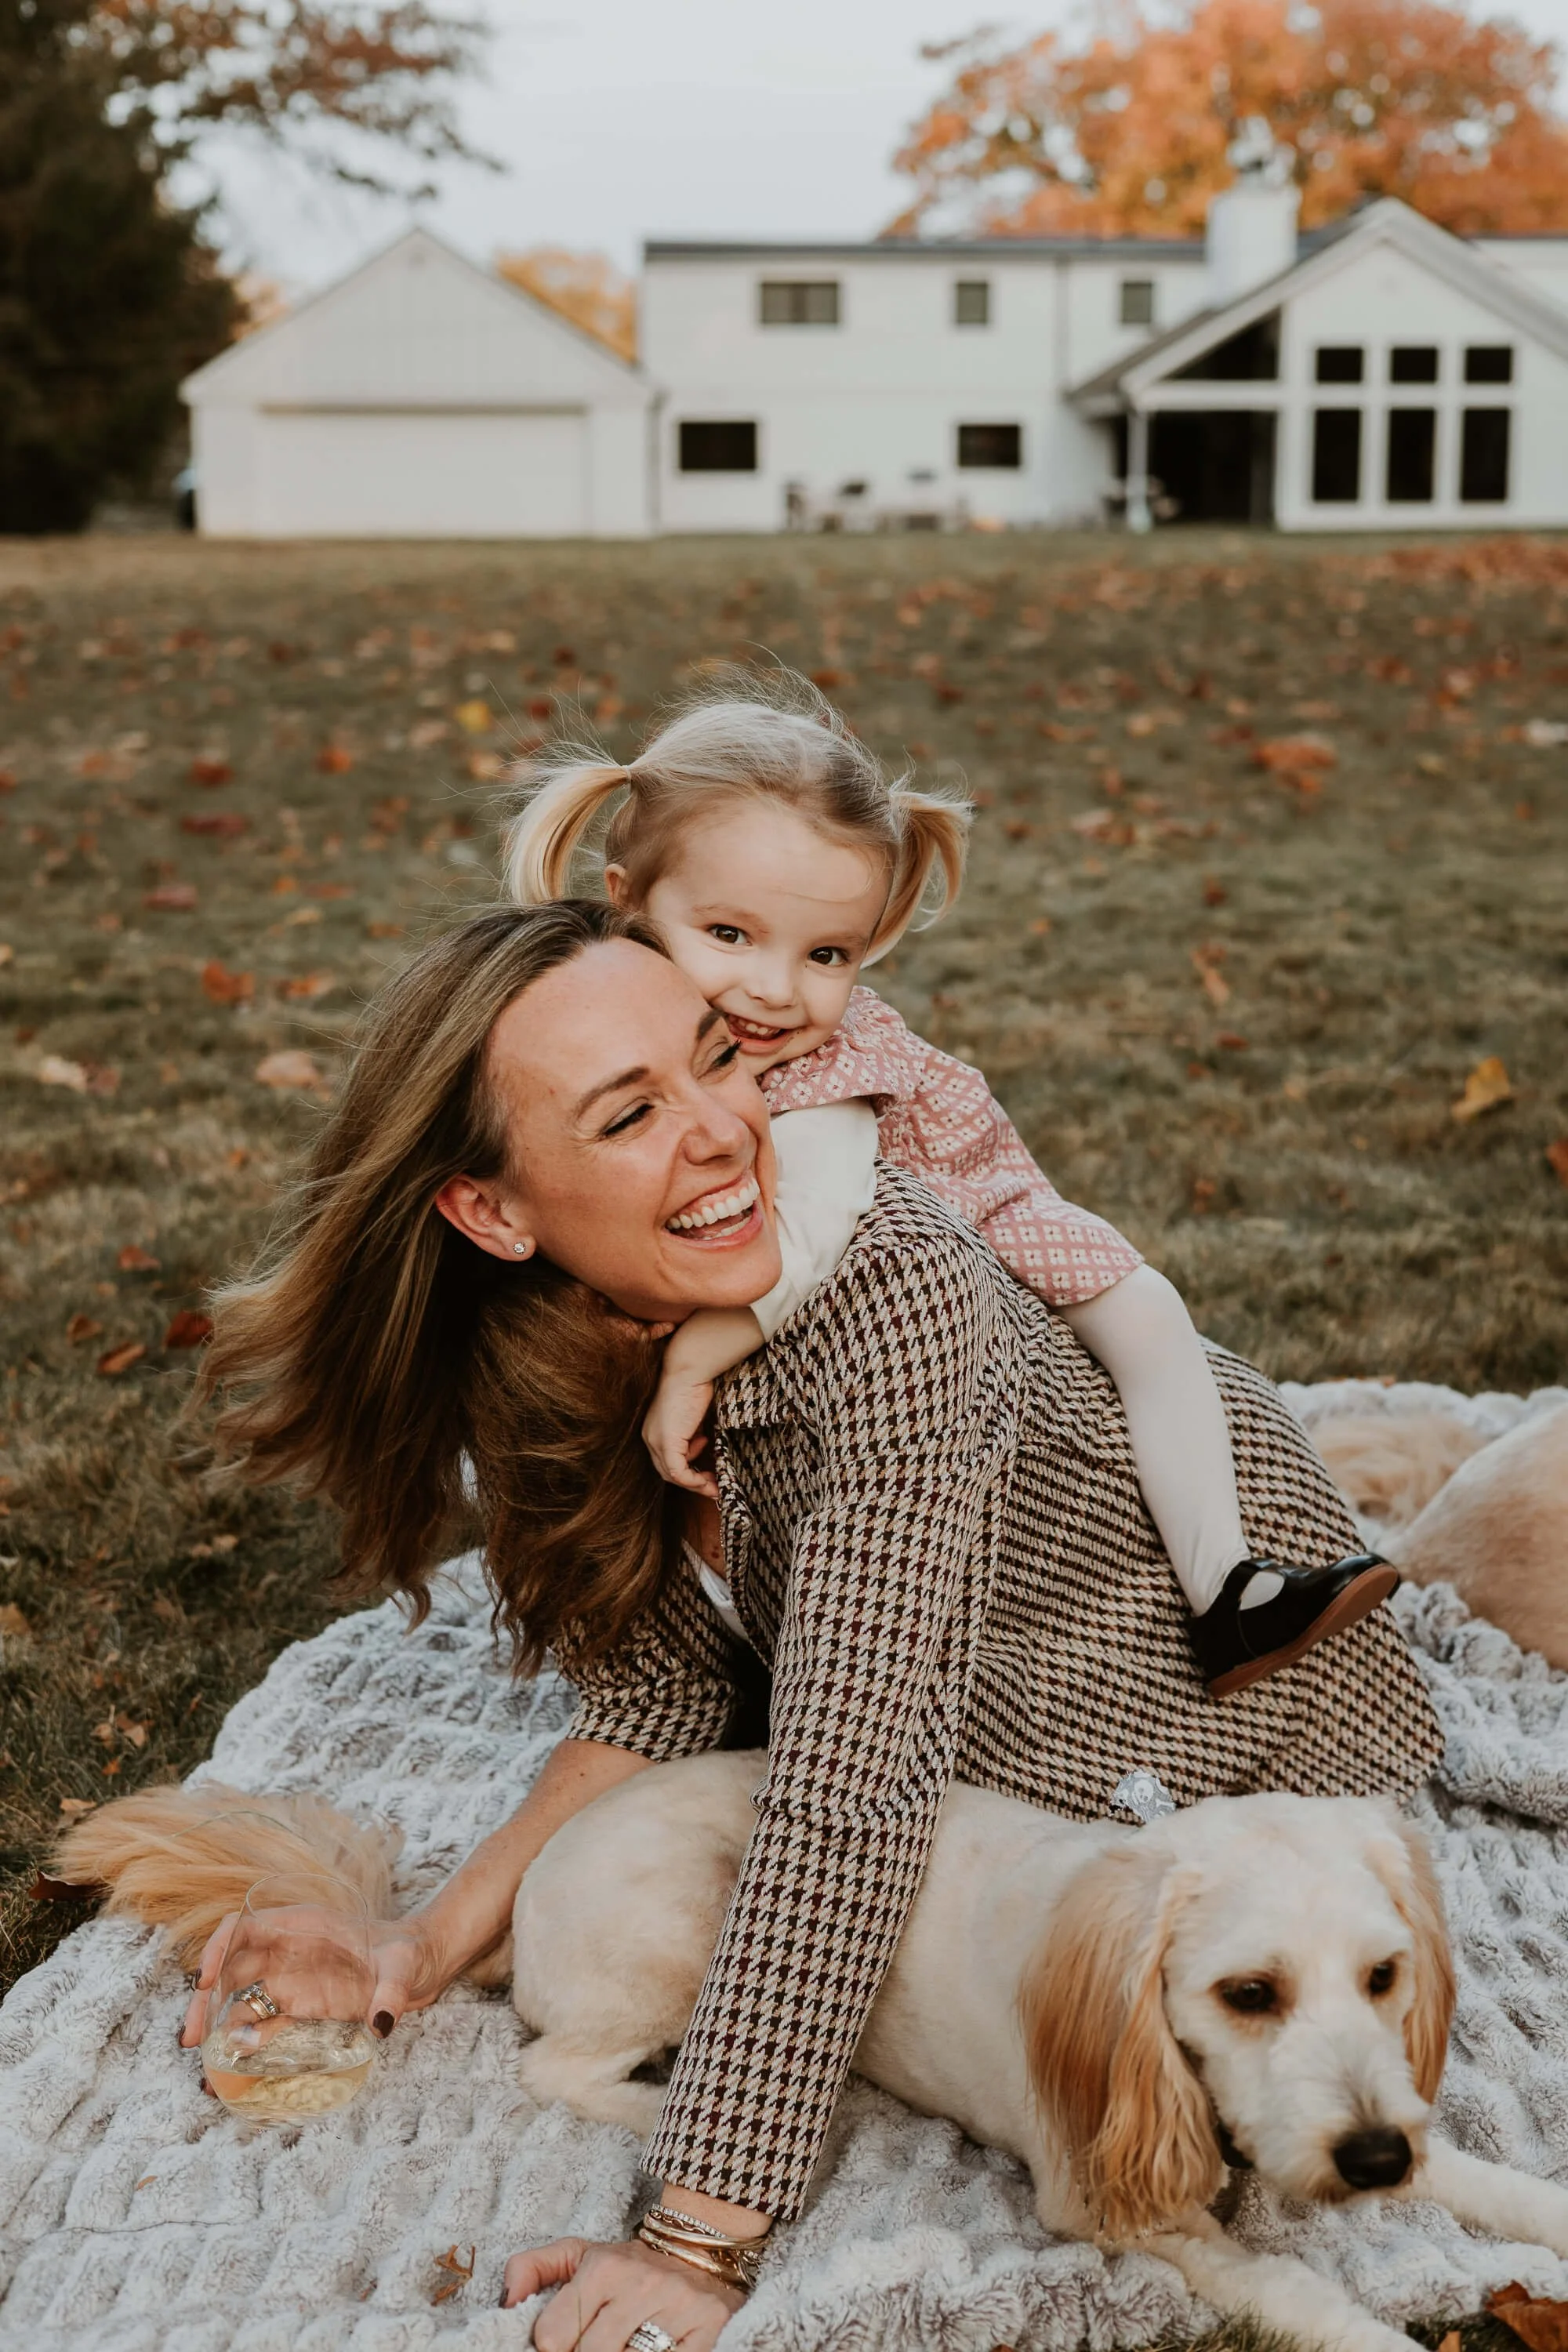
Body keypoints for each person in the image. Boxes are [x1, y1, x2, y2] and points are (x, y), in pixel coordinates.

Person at [187, 898, 1441, 2352]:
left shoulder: (893, 1303)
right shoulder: (569, 1337)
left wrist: (696, 2234)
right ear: (495, 1212)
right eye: (628, 1114)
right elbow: (666, 1692)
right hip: (959, 1696)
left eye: (720, 1058)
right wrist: (421, 1943)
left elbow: (853, 1787)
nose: (722, 1129)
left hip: (1203, 1723)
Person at [502, 670, 1395, 1698]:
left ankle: (1227, 1589)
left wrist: (699, 1355)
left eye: (826, 952)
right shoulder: (628, 1020)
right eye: (730, 935)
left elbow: (824, 1224)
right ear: (628, 903)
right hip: (822, 1297)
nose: (776, 988)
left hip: (980, 1236)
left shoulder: (828, 1074)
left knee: (1148, 1319)